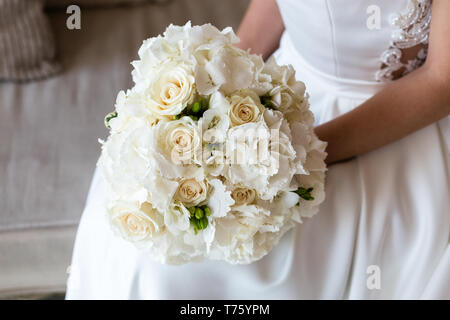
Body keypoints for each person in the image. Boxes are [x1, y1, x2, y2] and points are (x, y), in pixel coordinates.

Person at [66, 0, 449, 299]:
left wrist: (302, 149)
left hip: (390, 122)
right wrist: (218, 81)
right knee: (127, 226)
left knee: (206, 266)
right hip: (286, 84)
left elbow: (441, 81)